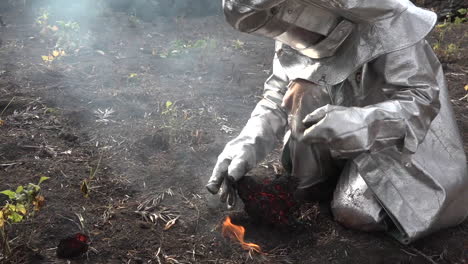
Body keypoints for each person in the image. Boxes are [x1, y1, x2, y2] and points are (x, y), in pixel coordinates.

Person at [206, 0, 468, 244]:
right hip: (338, 131)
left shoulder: (387, 18)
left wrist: (357, 122)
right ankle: (313, 182)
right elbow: (276, 97)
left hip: (403, 143)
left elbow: (420, 103)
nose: (292, 35)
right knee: (301, 89)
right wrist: (247, 144)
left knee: (356, 210)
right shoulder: (289, 33)